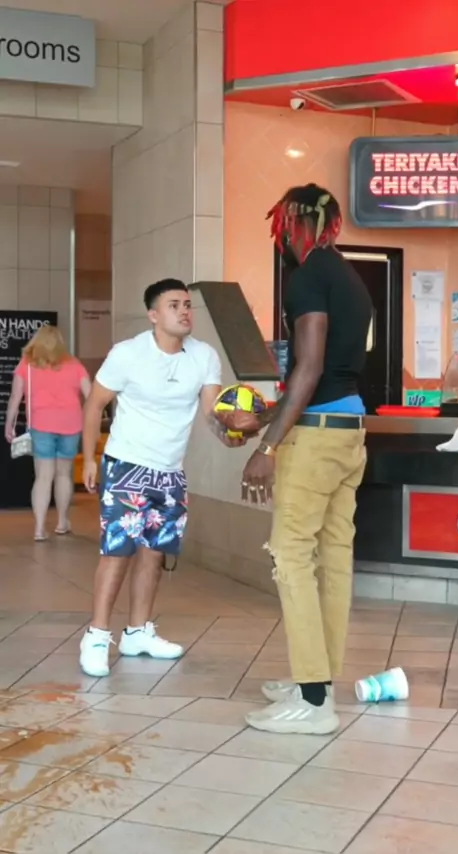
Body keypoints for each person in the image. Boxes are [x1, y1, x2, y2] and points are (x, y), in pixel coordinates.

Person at [217, 184, 372, 735]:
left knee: (291, 556)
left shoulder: (307, 276)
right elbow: (328, 377)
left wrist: (267, 448)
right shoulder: (349, 278)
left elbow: (308, 367)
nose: (279, 238)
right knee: (332, 557)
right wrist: (264, 417)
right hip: (348, 431)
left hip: (316, 439)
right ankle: (319, 679)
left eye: (282, 226)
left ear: (294, 223)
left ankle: (312, 702)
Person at [80, 278, 241, 678]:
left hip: (170, 471)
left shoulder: (204, 356)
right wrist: (90, 459)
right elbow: (95, 403)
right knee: (117, 552)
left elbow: (212, 413)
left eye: (187, 304)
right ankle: (96, 636)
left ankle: (137, 632)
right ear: (153, 315)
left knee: (154, 553)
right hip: (127, 464)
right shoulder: (128, 354)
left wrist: (233, 434)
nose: (184, 311)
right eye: (174, 305)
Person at [5, 325, 91, 541]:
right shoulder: (75, 365)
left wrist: (9, 424)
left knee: (43, 477)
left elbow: (15, 397)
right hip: (71, 425)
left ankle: (39, 528)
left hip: (41, 425)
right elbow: (90, 395)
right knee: (64, 474)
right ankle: (62, 522)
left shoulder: (26, 365)